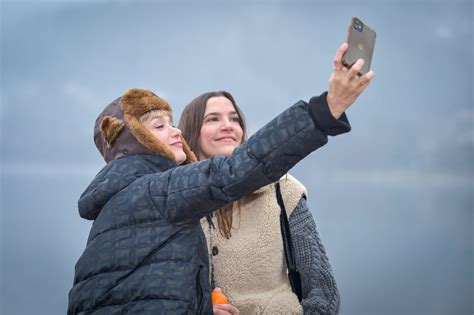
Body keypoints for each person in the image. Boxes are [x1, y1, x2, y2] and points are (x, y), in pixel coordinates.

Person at [68, 43, 373, 314]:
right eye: (159, 126)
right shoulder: (163, 192)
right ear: (134, 141)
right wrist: (326, 109)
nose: (174, 131)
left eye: (235, 118)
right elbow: (237, 169)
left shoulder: (112, 208)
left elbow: (136, 295)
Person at [178, 43, 373, 315]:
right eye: (213, 119)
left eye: (235, 119)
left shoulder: (284, 191)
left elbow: (323, 291)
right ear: (191, 132)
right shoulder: (178, 200)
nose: (228, 125)